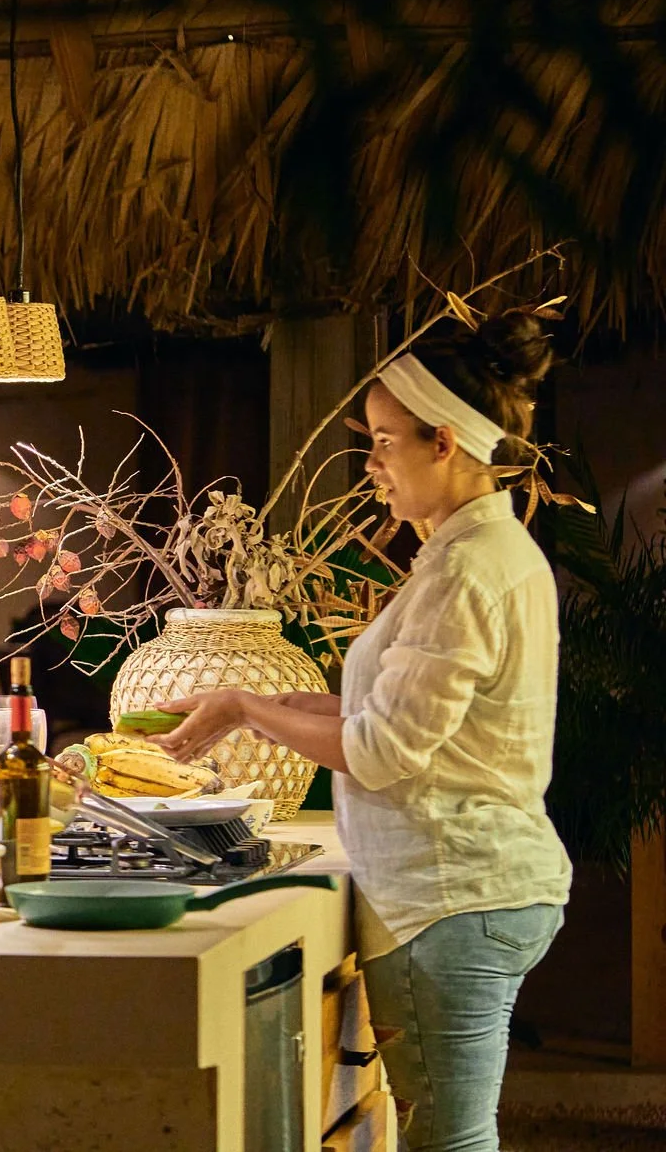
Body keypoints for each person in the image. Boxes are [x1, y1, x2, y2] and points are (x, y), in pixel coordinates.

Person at [152, 311, 571, 1152]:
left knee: (448, 1142)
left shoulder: (463, 570)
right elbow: (389, 721)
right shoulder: (483, 552)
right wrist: (244, 696)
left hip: (451, 895)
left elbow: (379, 751)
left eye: (385, 441)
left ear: (443, 443)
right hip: (480, 885)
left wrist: (244, 710)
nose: (372, 464)